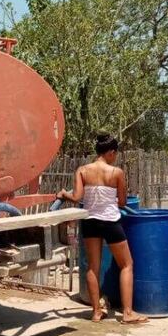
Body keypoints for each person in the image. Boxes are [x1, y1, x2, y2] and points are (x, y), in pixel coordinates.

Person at [57, 133, 147, 324]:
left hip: (90, 221)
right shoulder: (116, 173)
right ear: (111, 152)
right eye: (115, 154)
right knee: (127, 264)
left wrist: (64, 193)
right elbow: (122, 202)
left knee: (93, 267)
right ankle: (128, 313)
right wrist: (112, 198)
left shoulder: (82, 170)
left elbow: (77, 197)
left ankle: (96, 311)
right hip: (110, 221)